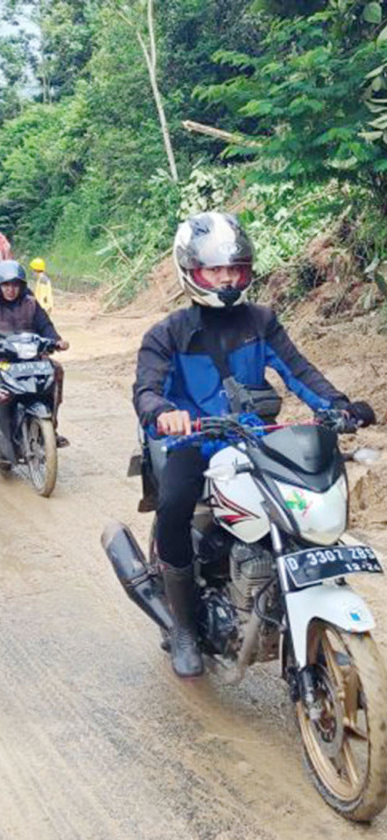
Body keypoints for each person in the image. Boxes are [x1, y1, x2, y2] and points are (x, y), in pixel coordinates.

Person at [133, 211, 376, 679]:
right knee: (175, 508)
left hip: (254, 435)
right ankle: (183, 628)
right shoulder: (168, 333)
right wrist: (164, 413)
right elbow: (147, 389)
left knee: (298, 502)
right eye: (215, 270)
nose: (226, 279)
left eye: (234, 268)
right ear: (191, 272)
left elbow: (298, 371)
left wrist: (339, 407)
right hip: (195, 440)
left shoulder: (261, 320)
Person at [0, 260, 69, 453]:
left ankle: (50, 427)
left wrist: (57, 341)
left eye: (15, 285)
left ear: (21, 285)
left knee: (55, 374)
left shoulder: (31, 304)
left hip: (30, 361)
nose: (10, 289)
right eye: (6, 285)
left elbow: (45, 326)